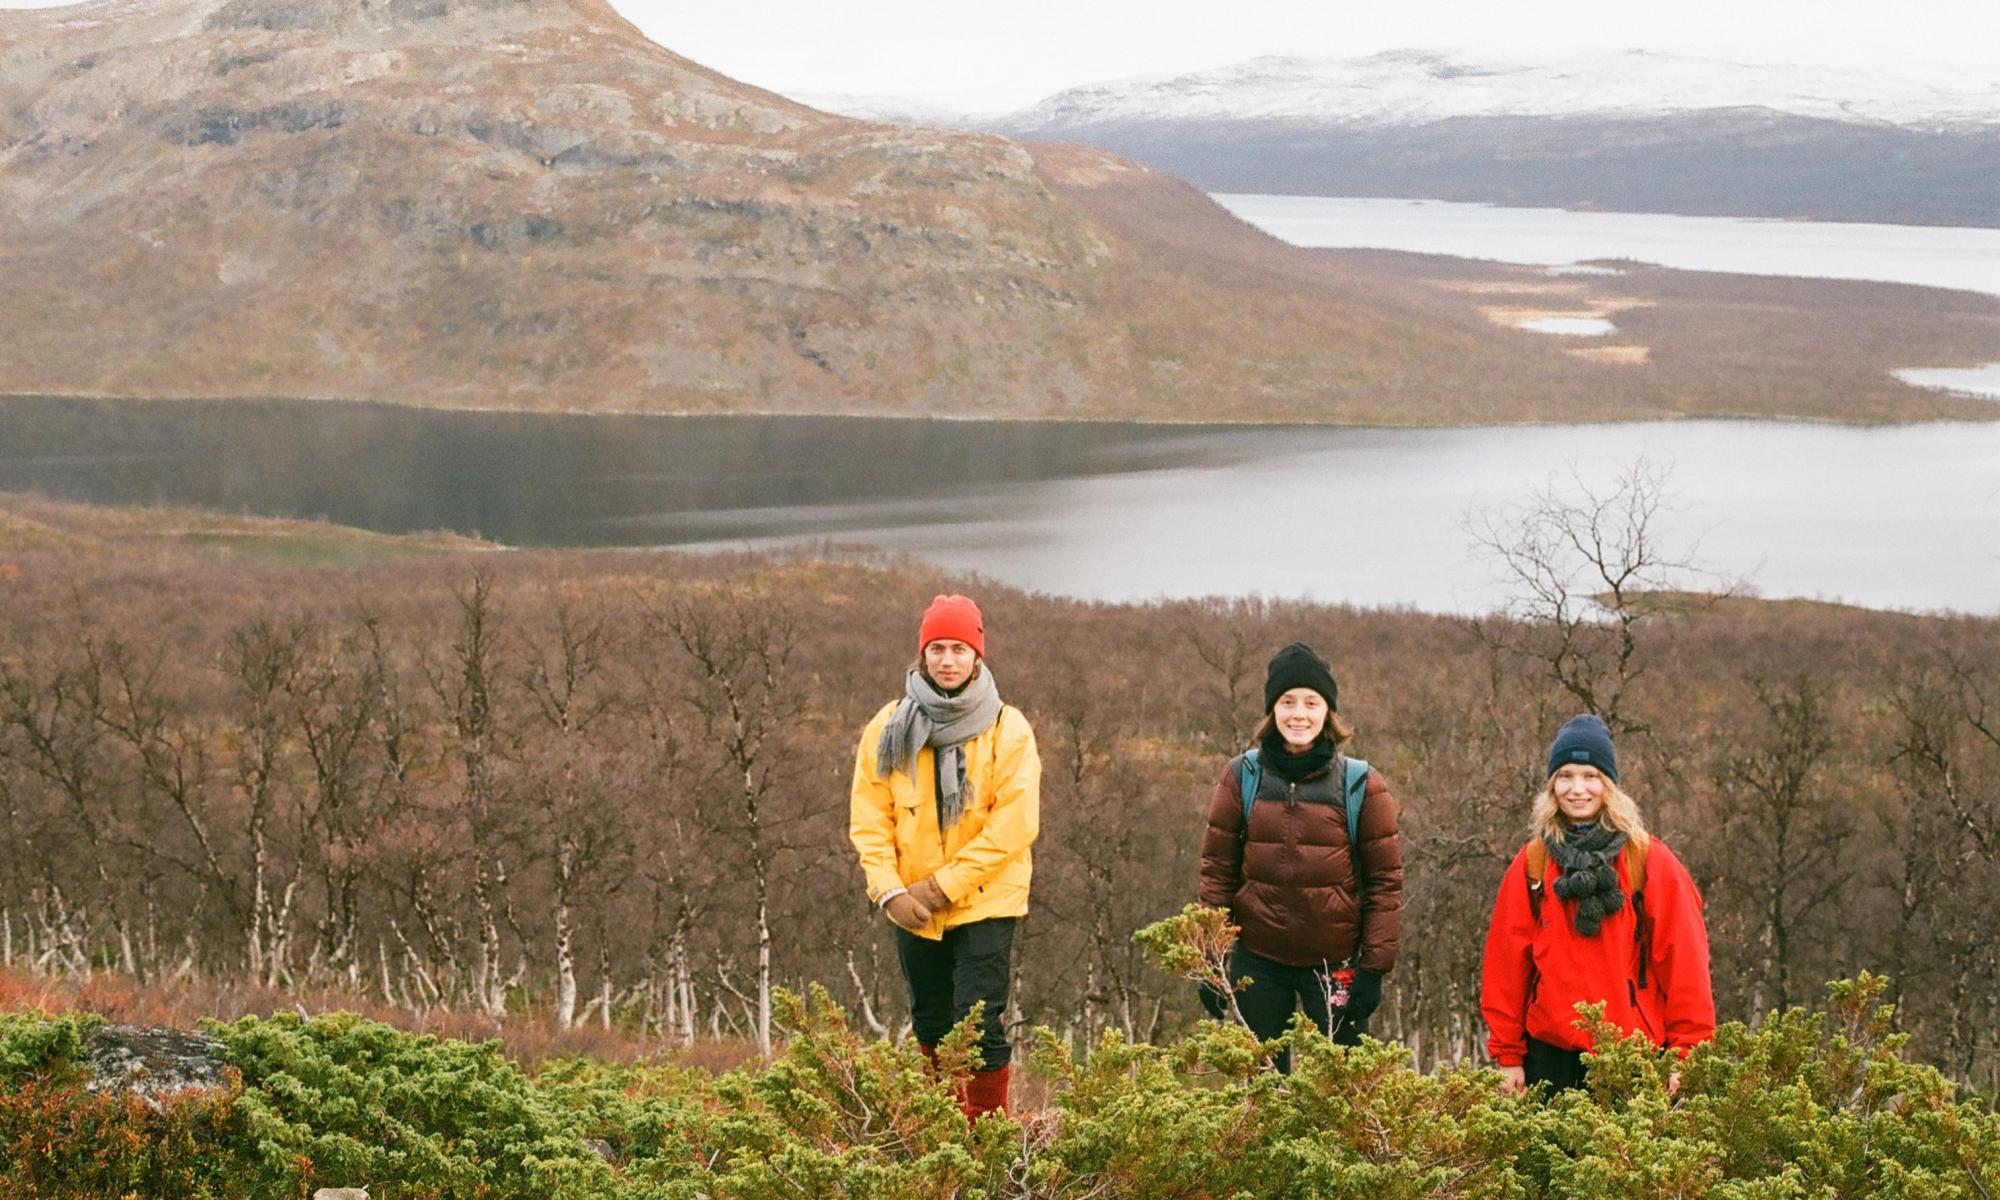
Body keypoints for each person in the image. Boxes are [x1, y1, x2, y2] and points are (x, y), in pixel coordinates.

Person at [849, 594, 1040, 1119]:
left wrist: (941, 888)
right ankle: (941, 1135)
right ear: (923, 654)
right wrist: (889, 892)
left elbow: (1015, 825)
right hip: (911, 905)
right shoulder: (888, 726)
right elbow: (870, 819)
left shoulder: (1007, 728)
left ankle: (986, 1141)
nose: (948, 660)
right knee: (931, 1022)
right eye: (937, 649)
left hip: (986, 900)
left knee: (977, 1027)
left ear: (977, 655)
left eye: (959, 649)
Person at [1480, 714, 1716, 1094]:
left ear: (1609, 785)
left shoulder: (1648, 861)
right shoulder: (1534, 863)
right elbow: (1506, 966)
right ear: (1552, 785)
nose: (1577, 789)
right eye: (1565, 776)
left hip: (1634, 1057)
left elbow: (1684, 961)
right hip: (1550, 1059)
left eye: (1591, 776)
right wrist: (1508, 1056)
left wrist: (1687, 1053)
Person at [1197, 642, 1404, 1068]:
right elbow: (1217, 873)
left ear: (1328, 712)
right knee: (1263, 1084)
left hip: (1335, 964)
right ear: (1272, 710)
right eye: (1287, 701)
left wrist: (1373, 970)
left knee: (1344, 1086)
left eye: (1312, 702)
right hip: (1258, 960)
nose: (1299, 714)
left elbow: (1385, 885)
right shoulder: (1241, 777)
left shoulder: (1361, 784)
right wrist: (1210, 962)